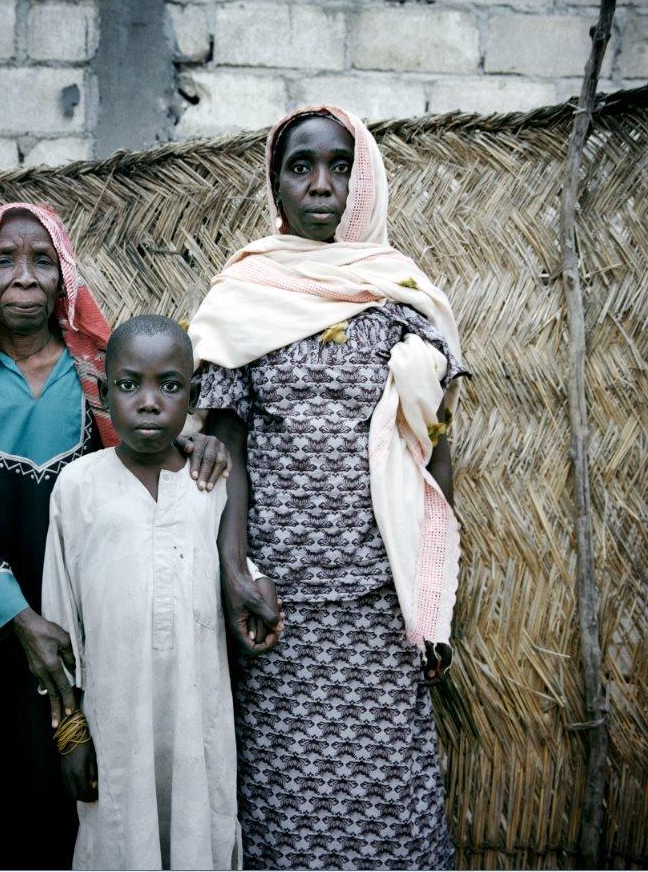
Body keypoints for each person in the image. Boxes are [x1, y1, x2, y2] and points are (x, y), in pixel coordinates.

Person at [0, 204, 231, 870]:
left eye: (41, 260)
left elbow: (143, 441)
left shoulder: (92, 373)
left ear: (63, 278)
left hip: (97, 626)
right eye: (4, 260)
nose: (23, 277)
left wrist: (196, 446)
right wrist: (20, 619)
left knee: (90, 786)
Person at [188, 106, 470, 870]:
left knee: (389, 793)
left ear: (365, 179)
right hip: (279, 605)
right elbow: (228, 451)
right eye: (300, 166)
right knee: (286, 803)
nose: (322, 184)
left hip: (378, 606)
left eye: (340, 166)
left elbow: (430, 449)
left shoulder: (399, 300)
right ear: (275, 184)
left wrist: (430, 592)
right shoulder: (241, 299)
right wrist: (234, 571)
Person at [41, 315, 273, 870]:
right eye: (129, 385)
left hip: (199, 727)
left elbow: (232, 577)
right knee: (120, 841)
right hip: (113, 730)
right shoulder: (77, 489)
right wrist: (71, 735)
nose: (149, 403)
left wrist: (258, 601)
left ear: (192, 396)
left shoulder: (208, 485)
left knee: (199, 836)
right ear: (102, 392)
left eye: (169, 386)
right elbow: (59, 627)